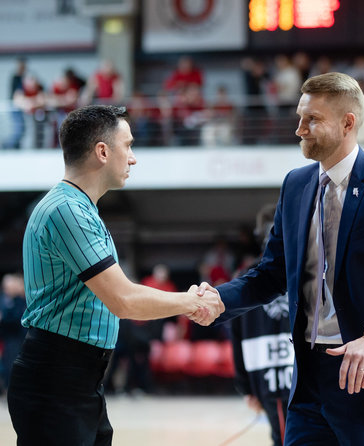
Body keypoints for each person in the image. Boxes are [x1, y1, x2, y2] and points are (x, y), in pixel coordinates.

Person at [202, 72, 364, 445]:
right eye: (300, 118)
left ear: (347, 123)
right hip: (308, 381)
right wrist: (221, 299)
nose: (299, 129)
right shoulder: (295, 184)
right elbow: (271, 273)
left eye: (312, 120)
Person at [7, 104, 224, 446]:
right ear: (103, 152)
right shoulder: (68, 211)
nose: (133, 158)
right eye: (129, 146)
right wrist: (193, 300)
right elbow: (125, 300)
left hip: (77, 378)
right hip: (57, 379)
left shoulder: (79, 209)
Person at [230, 204, 293, 446]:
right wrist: (245, 387)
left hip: (269, 378)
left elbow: (235, 337)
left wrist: (245, 387)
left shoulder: (244, 277)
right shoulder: (304, 269)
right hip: (283, 378)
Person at [0, 273, 27, 392]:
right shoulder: (4, 299)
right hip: (8, 338)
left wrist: (3, 318)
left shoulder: (20, 301)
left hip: (17, 338)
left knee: (14, 365)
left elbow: (18, 319)